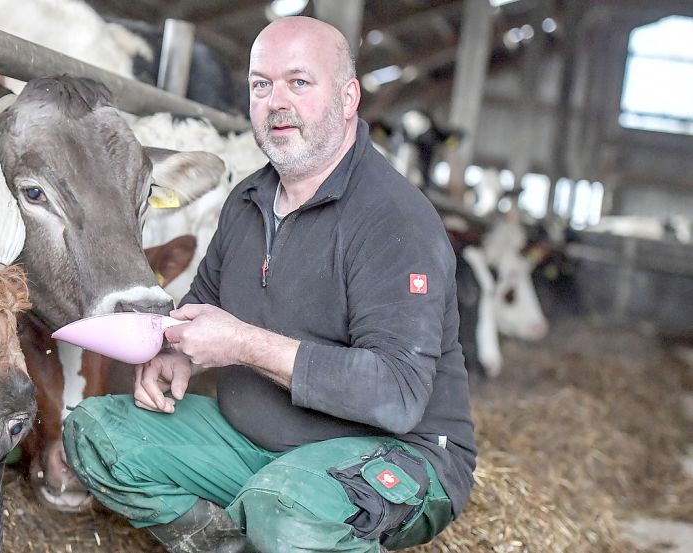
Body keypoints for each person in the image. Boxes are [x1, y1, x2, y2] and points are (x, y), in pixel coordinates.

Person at [62, 16, 476, 553]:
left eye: (299, 82)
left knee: (287, 515)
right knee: (97, 432)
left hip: (393, 454)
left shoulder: (393, 219)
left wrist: (241, 344)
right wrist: (179, 353)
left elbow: (396, 394)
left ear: (348, 97)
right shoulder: (249, 200)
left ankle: (278, 530)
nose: (276, 101)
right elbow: (204, 300)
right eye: (262, 84)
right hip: (260, 447)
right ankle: (228, 544)